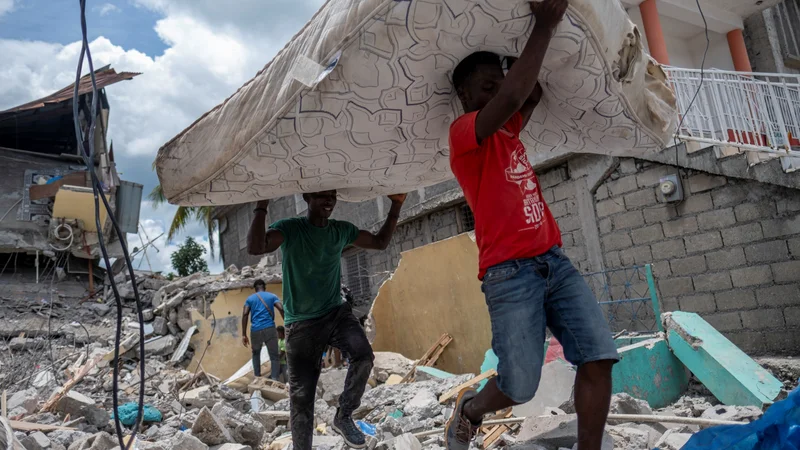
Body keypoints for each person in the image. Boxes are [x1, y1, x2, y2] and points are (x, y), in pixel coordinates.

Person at [445, 1, 620, 449]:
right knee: (518, 386)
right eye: (486, 88)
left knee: (598, 357)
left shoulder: (509, 130)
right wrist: (544, 23)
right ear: (465, 98)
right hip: (509, 273)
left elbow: (531, 91)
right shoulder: (465, 134)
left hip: (554, 263)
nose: (499, 91)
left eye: (500, 83)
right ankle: (468, 410)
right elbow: (513, 98)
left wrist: (515, 48)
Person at [248, 190, 406, 450]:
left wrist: (396, 205)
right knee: (301, 400)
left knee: (363, 355)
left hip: (335, 313)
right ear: (306, 198)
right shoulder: (291, 228)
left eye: (332, 195)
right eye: (322, 195)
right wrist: (262, 203)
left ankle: (343, 416)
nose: (329, 200)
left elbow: (380, 242)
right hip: (301, 325)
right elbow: (256, 247)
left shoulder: (340, 230)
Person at [242, 279, 285, 380]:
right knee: (274, 356)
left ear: (255, 289)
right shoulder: (272, 296)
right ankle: (275, 380)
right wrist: (286, 324)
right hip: (270, 328)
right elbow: (281, 309)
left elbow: (245, 314)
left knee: (256, 354)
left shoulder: (249, 299)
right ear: (264, 287)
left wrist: (244, 334)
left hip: (255, 330)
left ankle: (257, 378)